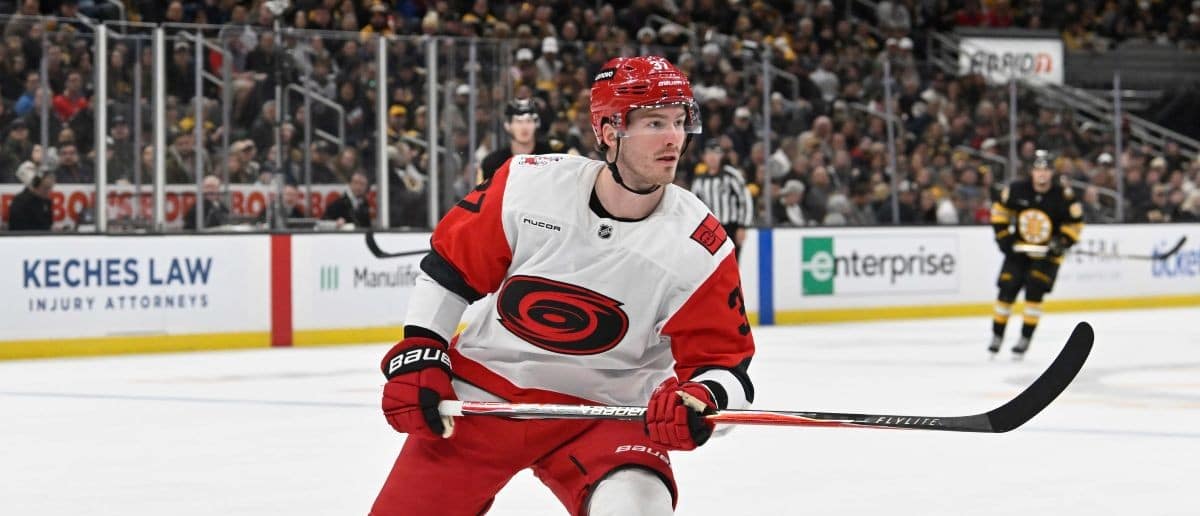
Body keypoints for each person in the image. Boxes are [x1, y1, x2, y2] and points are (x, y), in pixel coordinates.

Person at [371, 55, 756, 516]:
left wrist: (701, 401)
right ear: (610, 131)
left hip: (607, 413)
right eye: (655, 122)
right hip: (486, 396)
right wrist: (422, 350)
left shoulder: (702, 243)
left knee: (638, 510)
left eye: (679, 121)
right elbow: (449, 270)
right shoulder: (527, 184)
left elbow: (727, 370)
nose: (674, 137)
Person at [988, 150, 1084, 357]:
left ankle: (1025, 338)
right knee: (1007, 290)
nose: (1042, 174)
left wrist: (1063, 241)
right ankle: (997, 335)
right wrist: (1004, 237)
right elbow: (999, 211)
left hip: (1047, 255)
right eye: (1038, 170)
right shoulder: (1016, 190)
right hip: (1019, 250)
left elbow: (1075, 224)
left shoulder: (1063, 196)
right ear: (1032, 172)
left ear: (1052, 173)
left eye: (1046, 170)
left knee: (1034, 291)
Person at [690, 139, 754, 259]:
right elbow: (694, 206)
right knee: (711, 266)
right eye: (709, 153)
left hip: (730, 227)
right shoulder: (699, 181)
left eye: (716, 153)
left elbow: (745, 200)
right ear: (704, 156)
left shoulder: (731, 175)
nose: (712, 157)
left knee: (731, 264)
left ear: (721, 156)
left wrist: (743, 226)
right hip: (709, 230)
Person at [477, 97, 562, 182]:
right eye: (518, 121)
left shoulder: (552, 157)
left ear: (536, 123)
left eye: (529, 120)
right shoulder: (492, 163)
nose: (524, 127)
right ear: (508, 125)